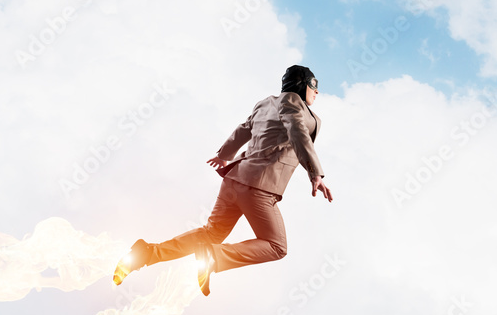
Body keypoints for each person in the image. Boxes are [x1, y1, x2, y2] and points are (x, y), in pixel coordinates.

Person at [113, 65, 333, 295]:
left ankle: (145, 254)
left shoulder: (265, 103)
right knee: (276, 246)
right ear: (302, 85)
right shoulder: (293, 104)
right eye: (314, 86)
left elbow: (244, 128)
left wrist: (223, 155)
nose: (317, 92)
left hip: (234, 180)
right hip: (258, 187)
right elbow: (297, 132)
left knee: (211, 233)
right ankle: (214, 257)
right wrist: (315, 173)